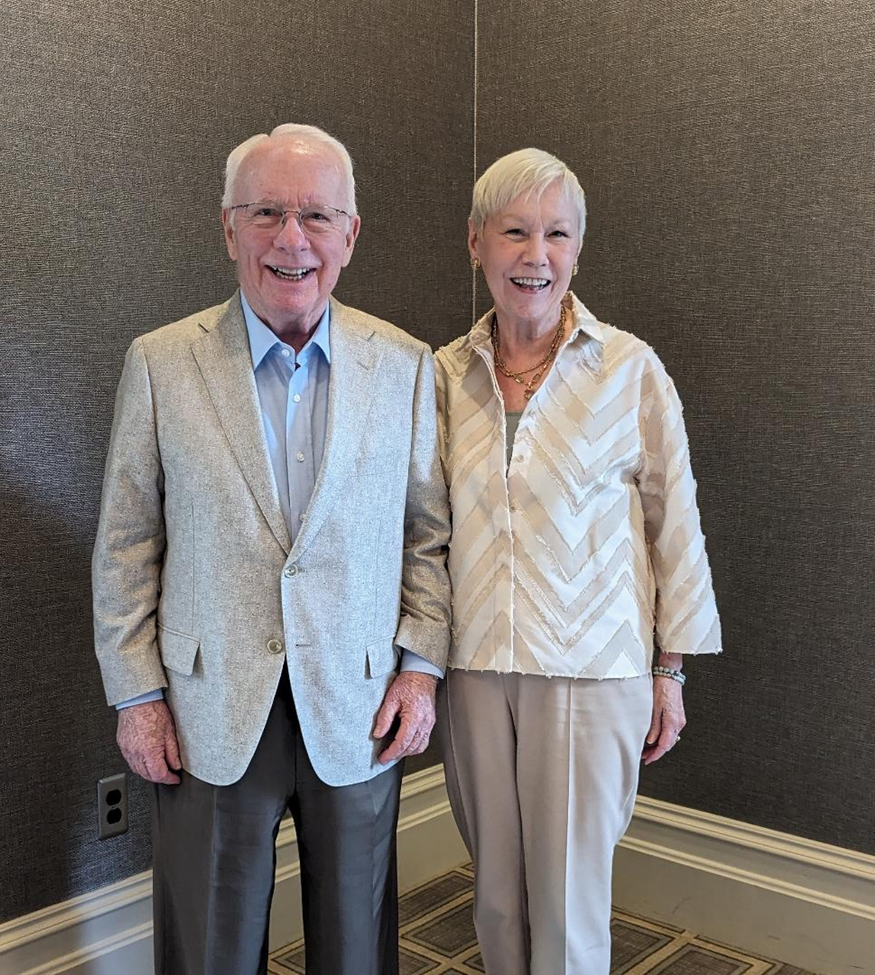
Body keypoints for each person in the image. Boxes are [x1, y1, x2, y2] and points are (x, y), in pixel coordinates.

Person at [92, 123, 450, 975]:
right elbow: (125, 544)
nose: (292, 239)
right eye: (266, 213)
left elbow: (427, 536)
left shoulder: (405, 366)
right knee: (209, 950)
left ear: (349, 235)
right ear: (229, 228)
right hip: (206, 708)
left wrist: (420, 667)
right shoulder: (160, 364)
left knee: (356, 947)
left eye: (316, 216)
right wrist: (136, 695)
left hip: (360, 703)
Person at [434, 148, 722, 975]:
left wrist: (669, 669)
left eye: (555, 234)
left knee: (567, 906)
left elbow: (675, 523)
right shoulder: (442, 375)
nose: (535, 255)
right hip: (473, 665)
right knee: (495, 896)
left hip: (592, 668)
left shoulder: (628, 368)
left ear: (577, 248)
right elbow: (422, 527)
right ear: (475, 242)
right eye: (514, 232)